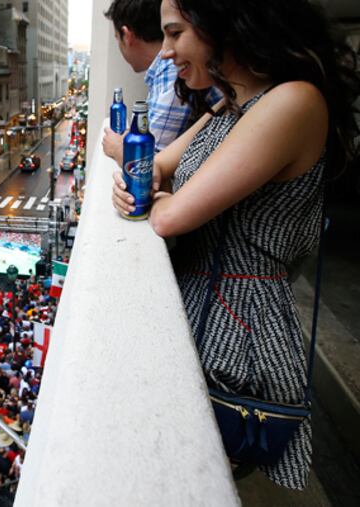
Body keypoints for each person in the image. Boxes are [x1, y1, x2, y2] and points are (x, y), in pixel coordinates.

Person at [111, 0, 359, 490]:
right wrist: (146, 185)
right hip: (200, 306)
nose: (165, 53)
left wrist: (150, 193)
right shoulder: (231, 104)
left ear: (219, 20)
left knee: (187, 475)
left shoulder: (293, 102)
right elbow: (157, 169)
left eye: (176, 33)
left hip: (236, 335)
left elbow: (167, 216)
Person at [102, 0, 214, 164]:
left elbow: (147, 164)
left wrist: (117, 148)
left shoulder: (173, 72)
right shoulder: (223, 107)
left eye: (175, 33)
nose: (166, 51)